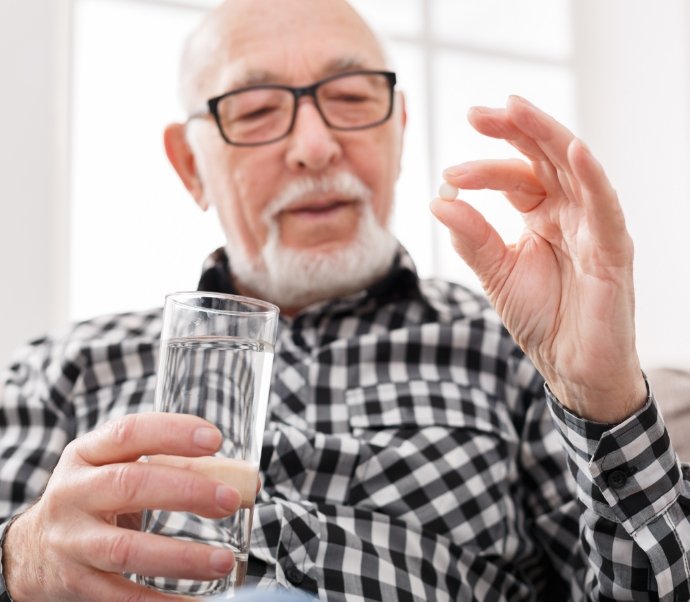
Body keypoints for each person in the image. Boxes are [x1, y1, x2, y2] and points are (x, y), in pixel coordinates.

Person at [0, 0, 688, 600]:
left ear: (399, 130)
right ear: (190, 166)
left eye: (354, 98)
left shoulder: (514, 349)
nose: (315, 146)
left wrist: (602, 395)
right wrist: (18, 562)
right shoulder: (63, 369)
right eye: (258, 109)